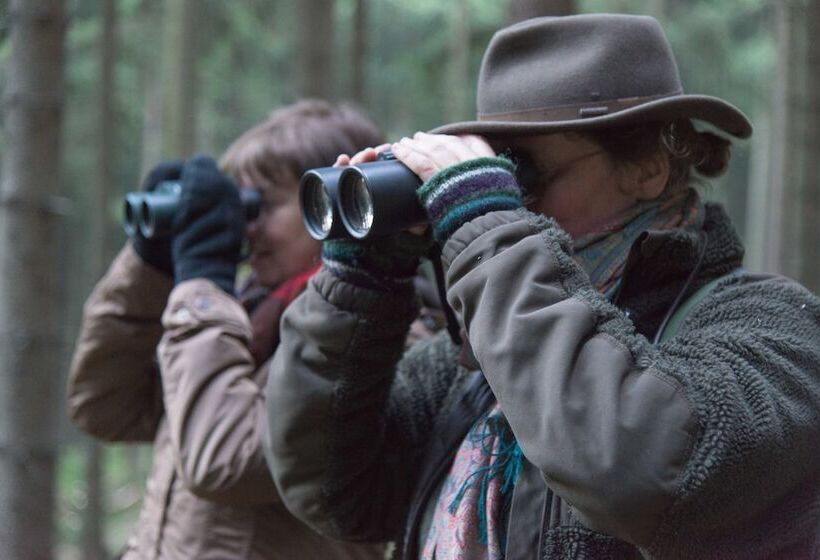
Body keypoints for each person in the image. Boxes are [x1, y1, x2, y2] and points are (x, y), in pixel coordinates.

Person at [264, 15, 820, 560]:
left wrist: (485, 220)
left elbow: (632, 468)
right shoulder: (478, 351)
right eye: (497, 170)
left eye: (526, 174)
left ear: (649, 166)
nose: (513, 197)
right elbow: (333, 491)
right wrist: (365, 282)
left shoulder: (773, 327)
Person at [67, 99, 387, 559]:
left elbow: (225, 460)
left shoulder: (379, 333)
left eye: (261, 206)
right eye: (235, 207)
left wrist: (201, 282)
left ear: (332, 200)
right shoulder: (243, 319)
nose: (243, 228)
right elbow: (105, 404)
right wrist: (152, 266)